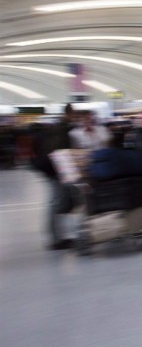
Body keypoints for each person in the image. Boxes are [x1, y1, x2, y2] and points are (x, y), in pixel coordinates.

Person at [31, 104, 76, 249]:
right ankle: (56, 239)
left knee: (59, 202)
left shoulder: (59, 127)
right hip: (55, 171)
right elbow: (58, 154)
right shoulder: (61, 130)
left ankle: (58, 236)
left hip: (55, 171)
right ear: (69, 114)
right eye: (74, 115)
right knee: (56, 203)